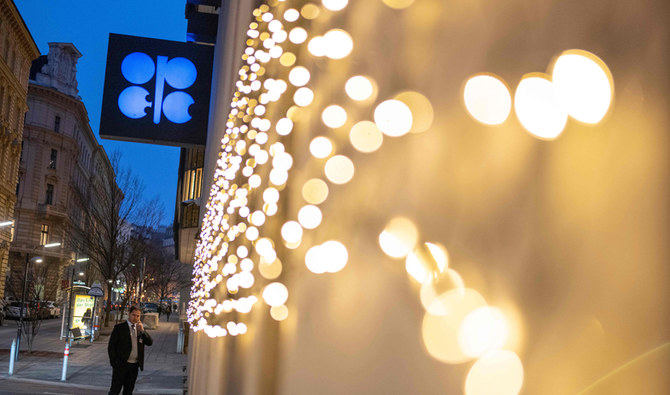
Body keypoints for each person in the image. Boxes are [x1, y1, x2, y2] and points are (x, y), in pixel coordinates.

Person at [108, 305, 153, 395]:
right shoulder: (120, 328)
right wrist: (115, 363)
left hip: (134, 366)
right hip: (121, 365)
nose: (135, 318)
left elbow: (149, 342)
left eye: (138, 316)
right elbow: (111, 346)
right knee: (115, 390)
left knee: (128, 391)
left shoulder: (140, 329)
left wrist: (143, 331)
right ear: (129, 314)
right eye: (133, 315)